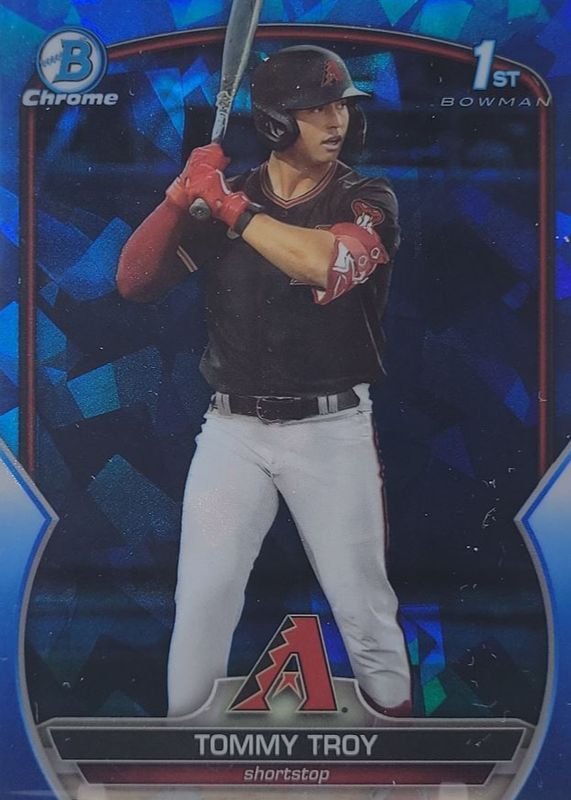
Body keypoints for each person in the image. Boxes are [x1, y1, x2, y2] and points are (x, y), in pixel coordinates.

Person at [116, 45, 411, 718]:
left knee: (363, 609)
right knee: (202, 600)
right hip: (233, 433)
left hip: (331, 431)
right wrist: (176, 200)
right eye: (316, 109)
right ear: (276, 122)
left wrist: (229, 208)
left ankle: (401, 751)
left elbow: (325, 263)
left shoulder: (366, 196)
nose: (335, 120)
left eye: (341, 106)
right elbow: (133, 282)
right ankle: (186, 755)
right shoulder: (231, 195)